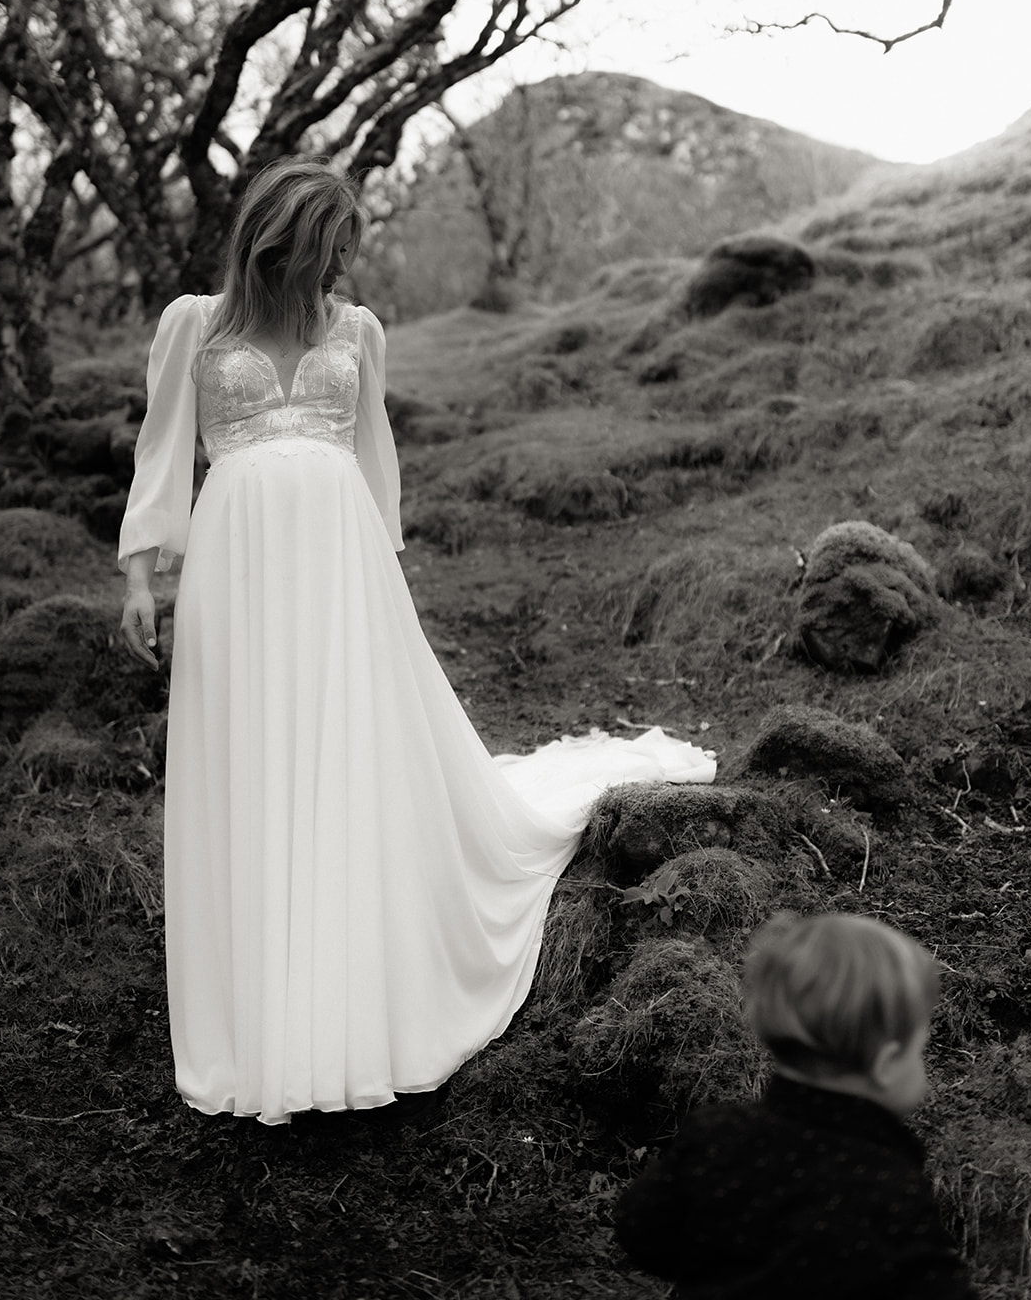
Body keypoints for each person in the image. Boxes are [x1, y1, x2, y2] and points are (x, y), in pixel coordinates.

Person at [118, 156, 716, 1126]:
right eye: (323, 249)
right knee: (253, 758)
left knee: (344, 751)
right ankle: (264, 995)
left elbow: (371, 455)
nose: (337, 268)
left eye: (342, 251)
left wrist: (377, 573)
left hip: (340, 564)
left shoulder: (356, 330)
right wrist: (142, 575)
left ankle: (350, 981)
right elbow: (161, 452)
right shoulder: (195, 322)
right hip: (234, 567)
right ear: (279, 243)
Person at [614, 911, 978, 1300]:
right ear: (886, 1064)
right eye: (919, 1052)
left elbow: (640, 1229)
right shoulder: (888, 1188)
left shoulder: (717, 1137)